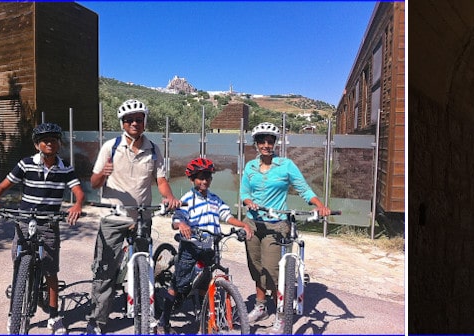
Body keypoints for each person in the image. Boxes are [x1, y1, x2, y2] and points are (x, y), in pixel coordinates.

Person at [85, 99, 181, 334]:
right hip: (114, 216)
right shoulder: (110, 147)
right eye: (130, 120)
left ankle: (145, 314)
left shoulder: (154, 149)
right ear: (123, 123)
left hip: (142, 216)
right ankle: (97, 321)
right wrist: (103, 174)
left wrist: (169, 197)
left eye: (139, 119)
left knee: (144, 265)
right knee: (105, 270)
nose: (134, 123)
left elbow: (160, 180)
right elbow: (94, 182)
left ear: (144, 121)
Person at [0, 123, 85, 335]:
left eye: (53, 139)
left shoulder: (65, 167)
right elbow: (3, 186)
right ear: (37, 145)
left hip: (49, 222)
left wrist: (77, 204)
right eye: (44, 140)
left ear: (59, 144)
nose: (49, 143)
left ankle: (54, 316)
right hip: (25, 221)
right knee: (19, 265)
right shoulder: (26, 164)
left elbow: (78, 191)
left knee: (50, 270)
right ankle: (14, 312)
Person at [239, 122, 331, 333]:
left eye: (270, 141)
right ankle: (261, 306)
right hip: (252, 223)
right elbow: (244, 193)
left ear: (275, 143)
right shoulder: (250, 167)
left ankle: (282, 313)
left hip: (276, 224)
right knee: (256, 266)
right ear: (256, 144)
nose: (266, 145)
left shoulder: (286, 165)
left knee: (272, 271)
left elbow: (304, 189)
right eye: (262, 141)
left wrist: (320, 206)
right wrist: (248, 202)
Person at [153, 157, 254, 334]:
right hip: (190, 247)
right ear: (192, 179)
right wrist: (182, 225)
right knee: (179, 284)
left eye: (207, 177)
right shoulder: (187, 198)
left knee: (205, 281)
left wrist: (242, 225)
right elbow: (178, 218)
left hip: (210, 246)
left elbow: (225, 215)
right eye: (200, 177)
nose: (204, 181)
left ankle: (203, 316)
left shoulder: (215, 199)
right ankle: (163, 321)